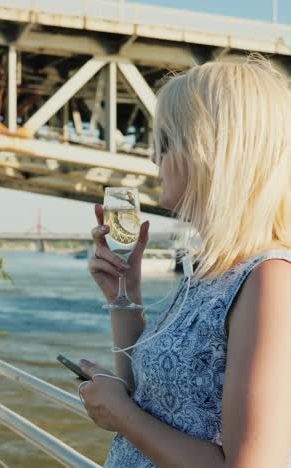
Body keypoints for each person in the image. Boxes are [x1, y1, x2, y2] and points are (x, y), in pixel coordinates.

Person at [75, 55, 291, 467]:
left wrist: (120, 415)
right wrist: (124, 294)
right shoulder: (210, 272)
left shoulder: (270, 280)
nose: (155, 159)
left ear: (213, 152)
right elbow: (150, 398)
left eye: (167, 143)